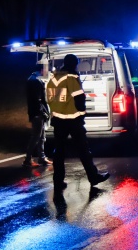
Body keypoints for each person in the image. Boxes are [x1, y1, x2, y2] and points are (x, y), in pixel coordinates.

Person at [46, 54, 110, 191]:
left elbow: (52, 100)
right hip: (73, 120)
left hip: (58, 120)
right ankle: (93, 177)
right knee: (83, 150)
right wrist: (82, 114)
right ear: (74, 64)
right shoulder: (71, 77)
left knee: (59, 152)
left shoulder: (53, 78)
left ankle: (58, 181)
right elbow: (79, 98)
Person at [22, 65, 53, 167]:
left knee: (41, 136)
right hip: (37, 113)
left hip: (37, 112)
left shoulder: (33, 79)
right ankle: (27, 160)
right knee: (36, 136)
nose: (46, 71)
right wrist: (43, 112)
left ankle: (42, 158)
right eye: (45, 69)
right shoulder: (35, 81)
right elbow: (38, 99)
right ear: (41, 69)